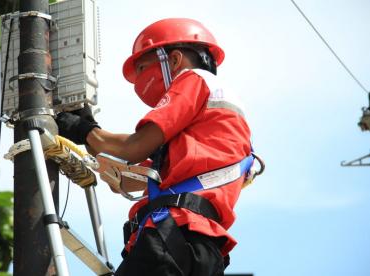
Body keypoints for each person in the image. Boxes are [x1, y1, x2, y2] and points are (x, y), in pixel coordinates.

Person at [56, 18, 253, 276]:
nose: (139, 79)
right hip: (201, 249)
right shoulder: (212, 127)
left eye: (142, 67)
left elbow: (135, 147)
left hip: (172, 236)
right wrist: (94, 141)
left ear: (173, 60)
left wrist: (87, 131)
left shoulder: (194, 80)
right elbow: (127, 181)